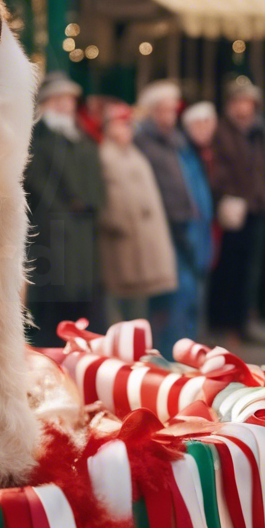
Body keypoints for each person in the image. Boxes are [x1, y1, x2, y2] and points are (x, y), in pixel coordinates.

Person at [24, 72, 106, 345]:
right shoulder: (37, 138)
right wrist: (65, 207)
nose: (65, 105)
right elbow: (34, 183)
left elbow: (96, 181)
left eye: (69, 99)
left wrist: (88, 203)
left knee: (81, 302)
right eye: (58, 99)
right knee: (52, 304)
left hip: (82, 235)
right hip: (52, 233)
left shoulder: (82, 139)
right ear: (45, 103)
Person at [208, 79, 265, 342]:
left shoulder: (261, 131)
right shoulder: (221, 131)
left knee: (253, 269)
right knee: (230, 267)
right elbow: (219, 168)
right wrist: (229, 194)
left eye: (249, 102)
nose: (245, 107)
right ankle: (225, 321)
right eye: (240, 101)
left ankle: (244, 320)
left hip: (258, 207)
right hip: (233, 207)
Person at [134, 81, 199, 357]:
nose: (170, 115)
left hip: (184, 227)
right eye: (165, 109)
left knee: (187, 297)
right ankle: (166, 356)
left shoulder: (175, 140)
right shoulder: (145, 141)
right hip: (162, 229)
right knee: (168, 300)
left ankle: (184, 353)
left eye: (174, 109)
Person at [97, 102, 177, 323]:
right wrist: (119, 221)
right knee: (118, 310)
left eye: (129, 125)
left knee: (139, 310)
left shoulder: (135, 155)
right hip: (121, 245)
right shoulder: (104, 156)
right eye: (121, 124)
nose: (127, 130)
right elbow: (103, 201)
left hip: (142, 244)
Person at [179, 101, 216, 340]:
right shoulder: (184, 154)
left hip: (201, 239)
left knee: (196, 304)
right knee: (184, 304)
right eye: (198, 124)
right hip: (188, 238)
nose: (204, 130)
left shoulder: (204, 155)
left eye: (208, 124)